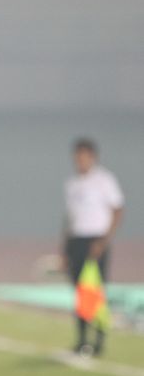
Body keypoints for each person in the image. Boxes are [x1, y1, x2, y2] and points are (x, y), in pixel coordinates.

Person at [63, 138, 124, 356]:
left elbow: (117, 210)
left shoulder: (104, 180)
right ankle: (82, 340)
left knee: (96, 290)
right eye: (77, 156)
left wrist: (103, 241)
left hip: (96, 240)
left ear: (92, 157)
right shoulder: (72, 184)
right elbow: (69, 219)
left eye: (84, 156)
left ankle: (99, 340)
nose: (80, 160)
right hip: (77, 241)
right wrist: (64, 249)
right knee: (80, 291)